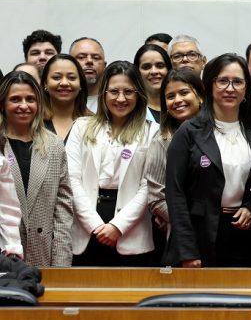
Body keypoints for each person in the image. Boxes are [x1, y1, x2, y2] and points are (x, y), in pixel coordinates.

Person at [165, 54, 251, 268]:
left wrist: (250, 207)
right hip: (198, 236)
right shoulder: (189, 131)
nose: (230, 88)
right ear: (209, 85)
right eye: (222, 81)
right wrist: (187, 250)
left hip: (243, 236)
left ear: (246, 88)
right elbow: (175, 193)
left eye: (237, 82)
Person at [66, 61, 159, 266]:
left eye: (128, 91)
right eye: (114, 91)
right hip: (86, 227)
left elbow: (148, 185)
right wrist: (95, 225)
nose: (121, 98)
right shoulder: (81, 127)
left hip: (131, 231)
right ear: (103, 94)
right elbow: (71, 180)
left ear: (139, 94)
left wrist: (117, 226)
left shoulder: (152, 131)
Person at [0, 71, 73, 267]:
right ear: (3, 104)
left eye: (30, 99)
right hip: (4, 254)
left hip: (44, 255)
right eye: (15, 99)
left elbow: (63, 212)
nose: (24, 106)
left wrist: (61, 265)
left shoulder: (54, 145)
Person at [144, 69, 204, 246]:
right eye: (170, 96)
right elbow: (157, 197)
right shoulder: (162, 139)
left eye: (184, 92)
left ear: (200, 97)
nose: (178, 100)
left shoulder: (219, 132)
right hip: (185, 236)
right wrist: (183, 221)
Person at [41, 54, 91, 142]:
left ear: (80, 84)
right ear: (45, 84)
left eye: (71, 78)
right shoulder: (33, 121)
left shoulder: (94, 123)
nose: (64, 83)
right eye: (56, 77)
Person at [133, 43, 171, 122]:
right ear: (137, 72)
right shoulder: (131, 109)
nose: (154, 71)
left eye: (160, 66)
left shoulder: (179, 104)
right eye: (146, 67)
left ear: (169, 69)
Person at [70, 37, 106, 112]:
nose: (89, 61)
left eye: (95, 58)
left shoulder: (115, 102)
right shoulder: (59, 101)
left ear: (104, 66)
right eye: (81, 57)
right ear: (69, 63)